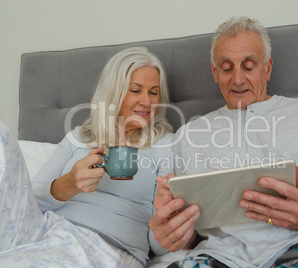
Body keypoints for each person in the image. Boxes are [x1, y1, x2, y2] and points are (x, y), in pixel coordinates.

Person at [148, 16, 298, 267]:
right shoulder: (189, 135)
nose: (237, 79)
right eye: (227, 68)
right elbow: (195, 237)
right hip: (222, 257)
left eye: (248, 66)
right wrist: (176, 230)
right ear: (215, 73)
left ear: (267, 68)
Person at [0, 47, 174, 267]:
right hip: (43, 229)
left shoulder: (165, 144)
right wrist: (69, 184)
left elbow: (159, 246)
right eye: (136, 90)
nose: (147, 102)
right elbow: (30, 202)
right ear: (113, 92)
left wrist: (163, 217)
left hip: (105, 247)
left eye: (153, 92)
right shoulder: (78, 137)